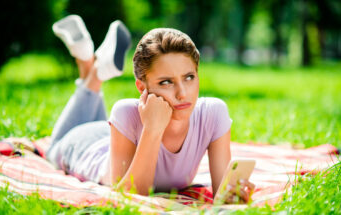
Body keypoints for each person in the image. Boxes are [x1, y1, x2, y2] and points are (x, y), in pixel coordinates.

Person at [47, 15, 254, 204]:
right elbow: (132, 196)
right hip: (83, 145)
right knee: (50, 149)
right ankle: (91, 67)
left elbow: (222, 197)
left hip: (113, 137)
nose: (182, 93)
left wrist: (233, 195)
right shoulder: (126, 112)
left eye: (189, 77)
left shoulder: (212, 113)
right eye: (166, 82)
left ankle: (90, 64)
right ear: (142, 87)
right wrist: (153, 128)